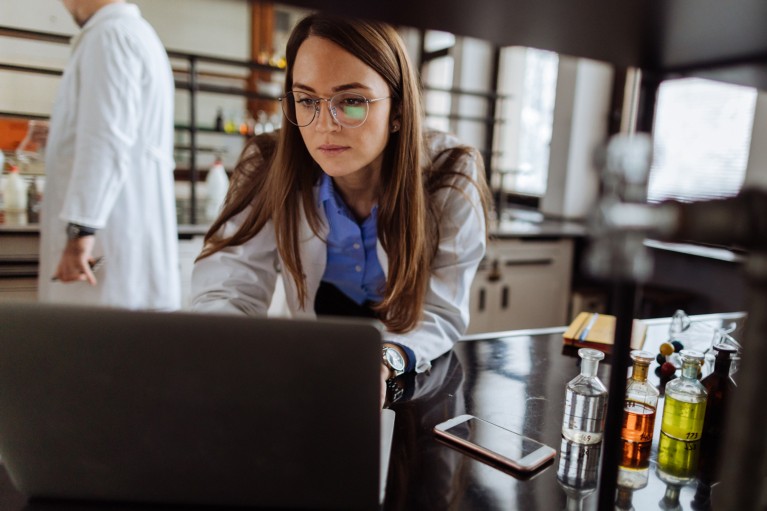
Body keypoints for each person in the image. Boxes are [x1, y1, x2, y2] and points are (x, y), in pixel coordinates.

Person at [191, 13, 491, 403]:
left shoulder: (449, 172)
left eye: (351, 101)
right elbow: (229, 286)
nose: (324, 125)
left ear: (397, 110)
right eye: (306, 100)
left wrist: (383, 360)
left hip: (410, 369)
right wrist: (238, 350)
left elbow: (439, 310)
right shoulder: (267, 165)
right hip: (312, 365)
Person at [38, 0, 180, 310]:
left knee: (96, 347)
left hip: (105, 246)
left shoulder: (110, 36)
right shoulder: (132, 33)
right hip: (122, 237)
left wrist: (80, 233)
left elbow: (106, 140)